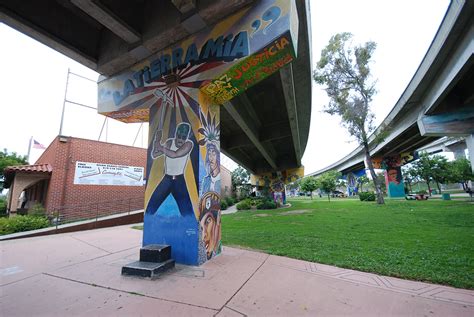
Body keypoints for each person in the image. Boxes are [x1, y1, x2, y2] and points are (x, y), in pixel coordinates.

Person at [146, 122, 194, 217]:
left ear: (187, 137)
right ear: (176, 134)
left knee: (187, 212)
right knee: (151, 206)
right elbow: (154, 154)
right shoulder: (169, 142)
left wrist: (160, 146)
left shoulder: (189, 144)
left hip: (179, 181)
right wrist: (157, 141)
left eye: (183, 137)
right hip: (167, 179)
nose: (181, 139)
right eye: (179, 136)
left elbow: (174, 154)